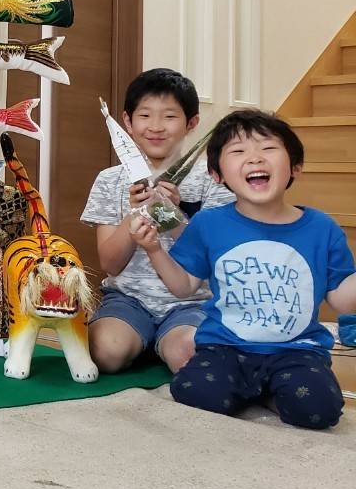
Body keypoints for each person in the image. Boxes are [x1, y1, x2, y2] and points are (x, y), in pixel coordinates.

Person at [131, 109, 356, 428]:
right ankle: (263, 392)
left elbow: (343, 302)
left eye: (268, 148)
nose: (255, 158)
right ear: (217, 174)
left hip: (296, 351)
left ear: (295, 166)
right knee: (194, 391)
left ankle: (267, 391)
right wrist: (154, 249)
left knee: (319, 409)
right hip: (226, 347)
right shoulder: (208, 224)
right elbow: (183, 287)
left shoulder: (322, 228)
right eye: (238, 151)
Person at [81, 69, 233, 373]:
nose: (156, 127)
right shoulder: (109, 180)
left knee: (189, 356)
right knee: (105, 353)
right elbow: (110, 264)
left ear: (192, 123)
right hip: (127, 300)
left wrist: (170, 215)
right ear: (128, 122)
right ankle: (142, 341)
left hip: (191, 303)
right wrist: (136, 212)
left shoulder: (213, 179)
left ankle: (163, 344)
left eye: (170, 116)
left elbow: (212, 259)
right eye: (145, 115)